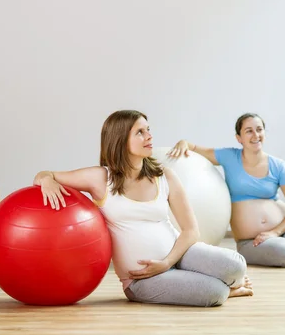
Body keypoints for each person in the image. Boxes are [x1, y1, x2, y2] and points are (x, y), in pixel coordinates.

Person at [33, 110, 253, 307]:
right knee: (214, 292)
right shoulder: (100, 178)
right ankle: (225, 289)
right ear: (120, 140)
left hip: (178, 256)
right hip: (142, 280)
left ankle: (212, 282)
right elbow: (44, 174)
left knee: (236, 265)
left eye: (148, 130)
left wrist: (167, 263)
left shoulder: (164, 176)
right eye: (140, 132)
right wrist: (47, 181)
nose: (149, 136)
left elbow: (190, 231)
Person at [168, 112, 285, 268]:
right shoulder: (229, 157)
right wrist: (183, 143)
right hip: (250, 241)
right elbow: (196, 148)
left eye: (259, 129)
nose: (255, 135)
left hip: (283, 229)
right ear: (239, 138)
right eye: (249, 131)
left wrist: (275, 232)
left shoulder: (278, 165)